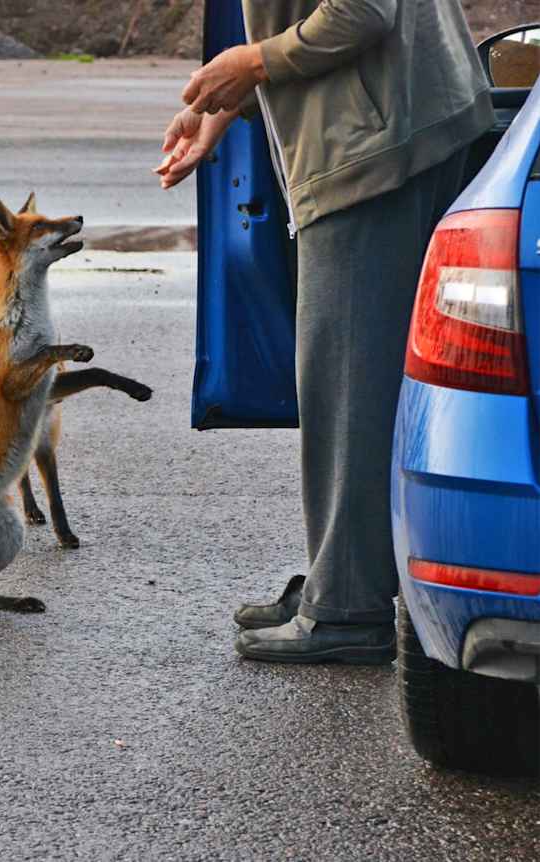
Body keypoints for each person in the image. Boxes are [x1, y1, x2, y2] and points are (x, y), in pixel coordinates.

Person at [155, 0, 495, 663]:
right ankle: (358, 576)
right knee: (389, 379)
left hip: (371, 146)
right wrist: (219, 108)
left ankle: (345, 608)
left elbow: (360, 10)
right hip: (407, 117)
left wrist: (254, 62)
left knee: (346, 385)